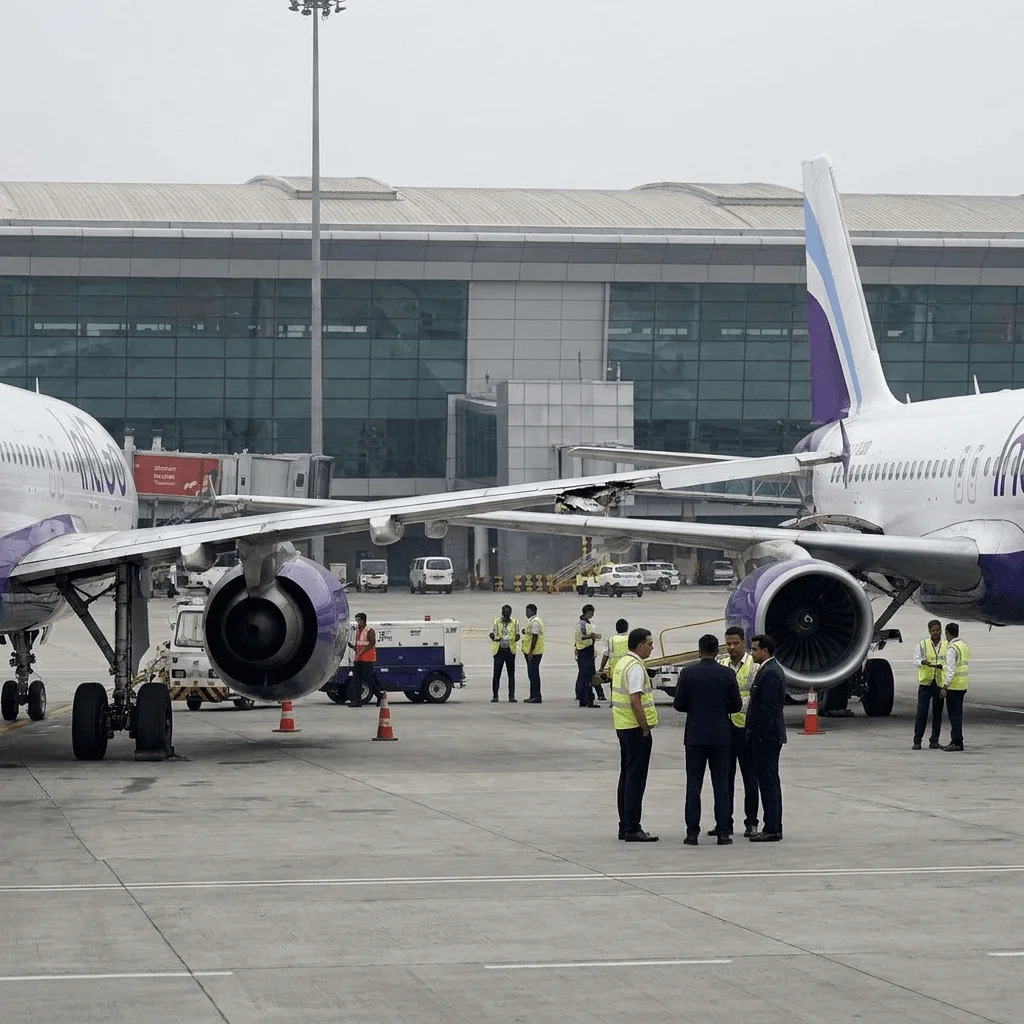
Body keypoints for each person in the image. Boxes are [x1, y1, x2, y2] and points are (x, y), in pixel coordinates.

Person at [673, 634, 742, 846]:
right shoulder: (727, 674)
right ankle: (723, 832)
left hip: (695, 736)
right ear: (716, 651)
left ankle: (692, 832)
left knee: (693, 785)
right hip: (721, 736)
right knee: (721, 785)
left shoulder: (688, 673)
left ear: (700, 651)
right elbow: (736, 705)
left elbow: (679, 704)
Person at [611, 627, 659, 842]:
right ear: (639, 645)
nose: (651, 647)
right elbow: (635, 700)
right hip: (635, 729)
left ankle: (624, 825)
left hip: (623, 727)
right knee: (636, 780)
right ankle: (632, 827)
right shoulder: (637, 667)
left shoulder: (622, 663)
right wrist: (645, 727)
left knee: (626, 777)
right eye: (649, 643)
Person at [714, 626, 760, 838]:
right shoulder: (720, 664)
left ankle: (751, 822)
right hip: (725, 729)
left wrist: (735, 705)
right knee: (725, 778)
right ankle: (724, 821)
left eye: (735, 644)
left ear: (744, 643)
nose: (731, 648)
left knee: (750, 778)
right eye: (728, 644)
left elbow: (754, 697)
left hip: (746, 729)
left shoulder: (753, 666)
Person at [745, 634, 786, 842]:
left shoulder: (769, 673)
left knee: (768, 782)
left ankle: (772, 827)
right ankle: (772, 824)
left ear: (765, 651)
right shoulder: (769, 669)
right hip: (768, 736)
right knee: (769, 781)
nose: (752, 653)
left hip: (766, 737)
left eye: (754, 649)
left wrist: (756, 734)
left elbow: (767, 710)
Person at [912, 619, 947, 750]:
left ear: (941, 631)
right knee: (922, 713)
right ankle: (917, 740)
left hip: (939, 683)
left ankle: (934, 740)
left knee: (937, 714)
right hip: (926, 683)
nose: (936, 633)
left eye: (938, 630)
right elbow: (915, 660)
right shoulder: (923, 644)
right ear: (929, 632)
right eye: (933, 631)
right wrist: (922, 662)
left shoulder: (946, 645)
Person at [941, 622, 969, 751]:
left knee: (954, 716)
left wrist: (945, 686)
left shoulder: (952, 649)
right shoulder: (963, 645)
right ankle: (957, 741)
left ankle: (956, 742)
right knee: (958, 714)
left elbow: (951, 669)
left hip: (953, 686)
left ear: (947, 633)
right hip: (962, 685)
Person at [347, 612, 382, 708]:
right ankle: (357, 701)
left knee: (368, 678)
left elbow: (371, 643)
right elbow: (359, 644)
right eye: (357, 620)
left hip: (367, 659)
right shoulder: (358, 631)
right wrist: (353, 647)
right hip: (358, 658)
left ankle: (379, 695)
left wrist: (362, 652)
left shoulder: (369, 630)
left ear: (363, 620)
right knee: (356, 680)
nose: (357, 622)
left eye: (359, 620)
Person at [489, 605, 519, 703]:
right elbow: (491, 633)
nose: (507, 613)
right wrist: (494, 638)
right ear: (502, 612)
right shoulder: (496, 621)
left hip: (510, 651)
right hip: (499, 651)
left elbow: (517, 635)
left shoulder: (515, 622)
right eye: (505, 611)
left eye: (508, 612)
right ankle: (495, 695)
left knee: (511, 675)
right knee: (496, 675)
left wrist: (516, 638)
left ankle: (511, 696)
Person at [574, 604, 602, 708]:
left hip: (586, 651)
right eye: (592, 612)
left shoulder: (585, 623)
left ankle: (584, 699)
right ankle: (588, 699)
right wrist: (593, 635)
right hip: (585, 651)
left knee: (584, 676)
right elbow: (583, 636)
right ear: (588, 612)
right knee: (587, 676)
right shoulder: (583, 624)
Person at [597, 618, 629, 704]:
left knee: (614, 686)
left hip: (615, 667)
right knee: (627, 685)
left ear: (616, 628)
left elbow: (606, 655)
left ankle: (614, 702)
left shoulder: (611, 640)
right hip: (628, 666)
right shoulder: (630, 639)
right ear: (627, 628)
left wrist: (601, 668)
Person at [522, 603, 545, 703]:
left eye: (527, 611)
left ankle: (536, 696)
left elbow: (534, 637)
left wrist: (531, 652)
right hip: (534, 651)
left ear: (532, 611)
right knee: (532, 673)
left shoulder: (535, 622)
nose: (526, 613)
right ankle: (533, 695)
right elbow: (531, 632)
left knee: (533, 674)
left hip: (534, 652)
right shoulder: (534, 621)